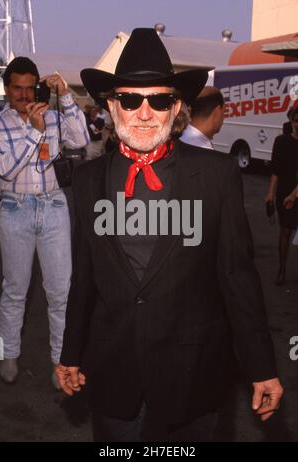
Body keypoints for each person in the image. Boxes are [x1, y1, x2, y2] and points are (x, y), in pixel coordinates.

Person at [56, 28, 283, 442]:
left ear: (176, 106)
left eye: (159, 100)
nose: (144, 113)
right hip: (114, 375)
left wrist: (261, 367)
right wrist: (70, 352)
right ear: (111, 105)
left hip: (192, 378)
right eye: (130, 99)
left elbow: (238, 278)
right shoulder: (88, 180)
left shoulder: (216, 176)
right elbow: (84, 278)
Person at [0, 57, 89, 387]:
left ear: (38, 85)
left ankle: (60, 362)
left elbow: (81, 141)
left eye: (29, 87)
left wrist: (64, 96)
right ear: (7, 89)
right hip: (13, 208)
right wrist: (35, 135)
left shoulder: (52, 115)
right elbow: (5, 169)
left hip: (53, 207)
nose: (24, 96)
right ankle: (7, 354)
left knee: (61, 291)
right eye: (17, 89)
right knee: (13, 291)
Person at [265, 106, 298, 286]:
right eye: (296, 120)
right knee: (285, 231)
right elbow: (276, 170)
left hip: (292, 195)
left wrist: (294, 195)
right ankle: (282, 269)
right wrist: (270, 192)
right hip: (284, 194)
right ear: (291, 121)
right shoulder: (282, 142)